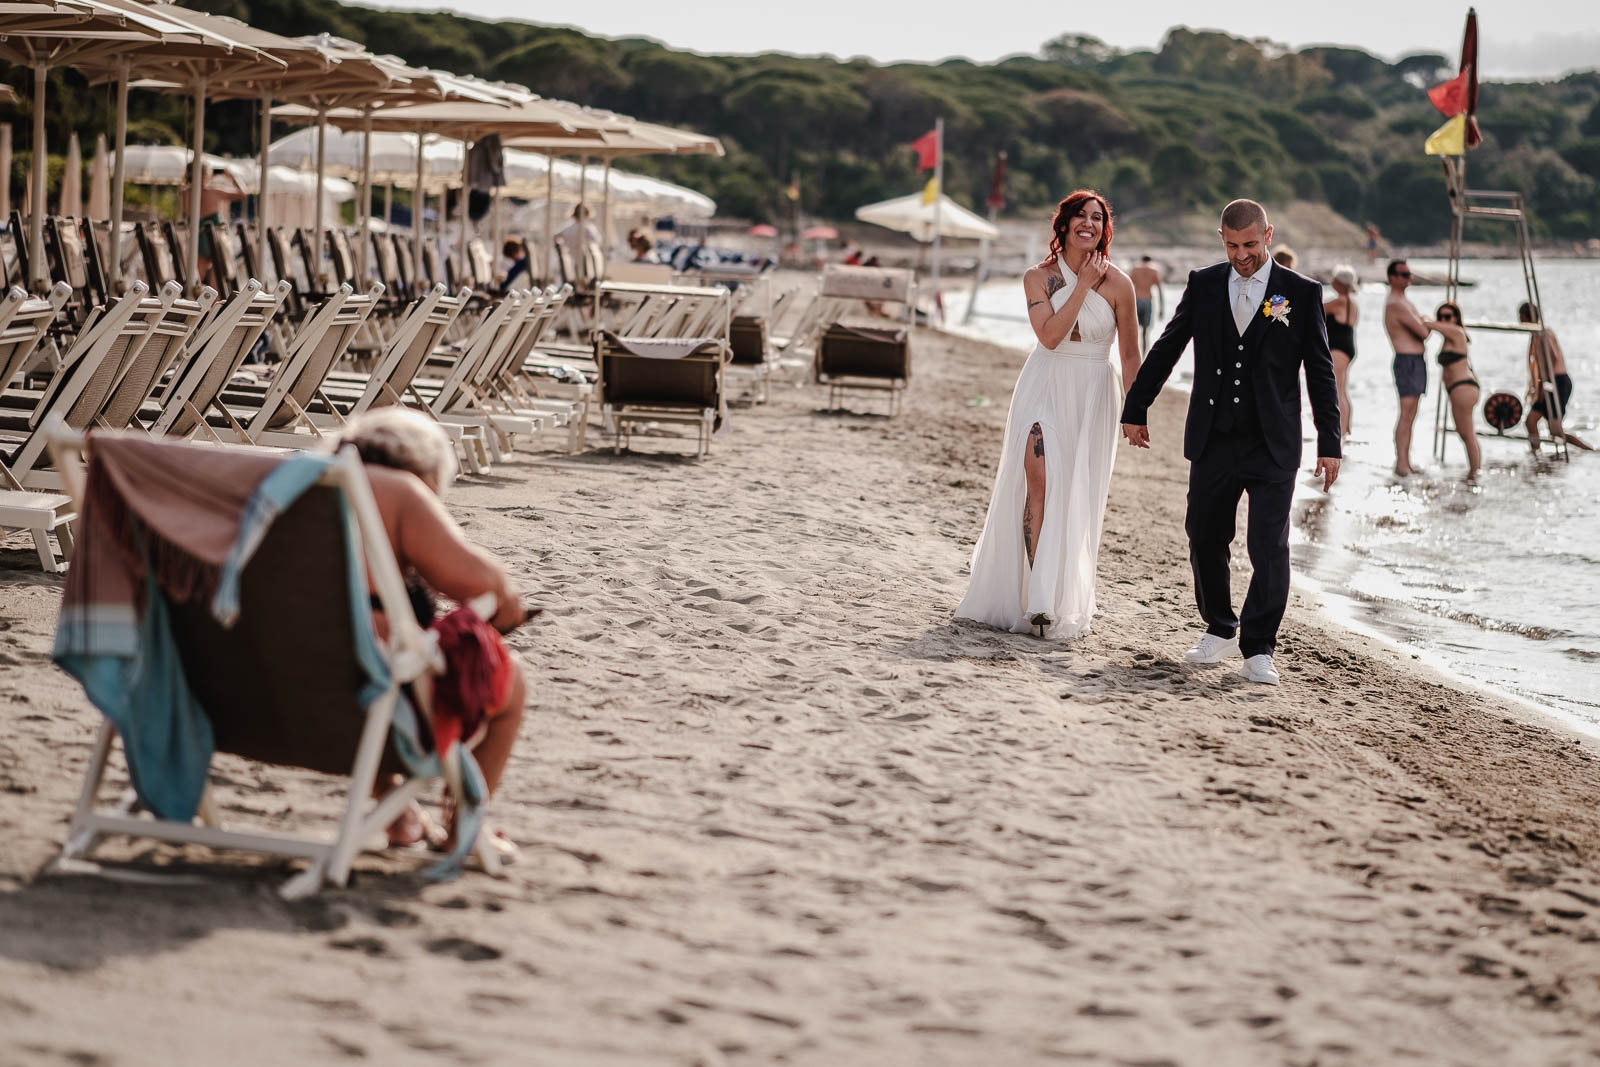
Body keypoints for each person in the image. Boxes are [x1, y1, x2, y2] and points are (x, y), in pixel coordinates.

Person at [1120, 199, 1341, 686]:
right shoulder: (1203, 284)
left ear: (1268, 235)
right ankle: (1219, 627)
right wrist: (1136, 407)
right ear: (1221, 239)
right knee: (1203, 535)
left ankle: (1259, 646)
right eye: (1232, 245)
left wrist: (1331, 441)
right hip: (1214, 438)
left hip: (1273, 443)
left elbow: (1321, 371)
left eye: (1250, 244)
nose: (1241, 255)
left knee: (1269, 547)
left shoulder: (1301, 292)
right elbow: (1168, 346)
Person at [336, 408, 528, 856]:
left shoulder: (295, 482)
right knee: (512, 680)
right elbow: (485, 585)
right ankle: (462, 828)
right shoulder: (397, 491)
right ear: (424, 472)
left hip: (271, 690)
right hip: (365, 702)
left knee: (360, 648)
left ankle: (399, 815)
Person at [956, 190, 1141, 639]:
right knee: (1037, 479)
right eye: (1080, 215)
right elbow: (1050, 337)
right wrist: (1081, 287)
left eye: (1097, 217)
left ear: (1105, 229)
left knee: (1074, 491)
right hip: (1044, 382)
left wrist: (1136, 411)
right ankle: (1038, 599)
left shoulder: (1120, 284)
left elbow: (1131, 354)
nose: (1089, 223)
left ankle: (1055, 597)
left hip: (1093, 390)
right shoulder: (1037, 278)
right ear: (1064, 224)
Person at [1522, 302, 1593, 452]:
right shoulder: (1535, 335)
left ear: (1527, 317)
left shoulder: (1544, 333)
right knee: (1531, 421)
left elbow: (1553, 358)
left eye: (1521, 317)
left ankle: (1590, 451)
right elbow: (1535, 366)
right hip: (1547, 384)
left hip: (1557, 383)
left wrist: (1543, 384)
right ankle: (1536, 453)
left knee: (1555, 431)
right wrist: (1533, 386)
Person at [1383, 259, 1429, 476]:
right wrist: (1426, 322)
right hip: (1407, 361)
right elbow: (1423, 331)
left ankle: (1405, 461)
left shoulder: (1403, 301)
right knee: (1406, 414)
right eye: (1403, 274)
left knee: (1411, 414)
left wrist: (1424, 322)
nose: (1408, 277)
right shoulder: (1395, 303)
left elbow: (1421, 326)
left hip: (1415, 361)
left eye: (1409, 273)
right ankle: (1401, 463)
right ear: (1392, 278)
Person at [1428, 301, 1482, 477]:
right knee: (1463, 432)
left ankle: (1475, 473)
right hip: (1458, 389)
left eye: (1448, 316)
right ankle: (1473, 472)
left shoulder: (1457, 332)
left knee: (1468, 434)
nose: (1444, 320)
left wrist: (1424, 320)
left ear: (1456, 318)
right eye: (1440, 317)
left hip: (1463, 387)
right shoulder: (1449, 338)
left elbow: (1429, 325)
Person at [1323, 264, 1359, 439]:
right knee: (1342, 388)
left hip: (1338, 348)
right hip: (1346, 346)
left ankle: (1342, 430)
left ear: (1339, 282)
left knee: (1338, 388)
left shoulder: (1340, 302)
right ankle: (1345, 427)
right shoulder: (1352, 303)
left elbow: (1317, 307)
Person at [1129, 255, 1165, 355]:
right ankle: (1143, 357)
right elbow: (1160, 291)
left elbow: (1128, 286)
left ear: (1142, 260)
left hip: (1136, 301)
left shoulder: (1135, 269)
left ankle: (1132, 356)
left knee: (1133, 331)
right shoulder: (1154, 270)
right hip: (1147, 301)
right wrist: (1161, 309)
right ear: (1150, 261)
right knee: (1145, 333)